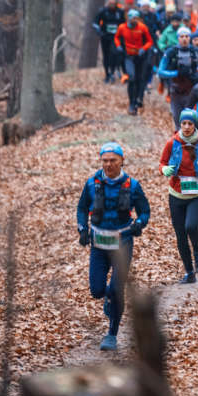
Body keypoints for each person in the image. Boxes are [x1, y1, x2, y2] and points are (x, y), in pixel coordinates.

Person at [76, 142, 150, 351]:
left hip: (122, 243)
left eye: (113, 160)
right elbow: (81, 208)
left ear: (121, 161)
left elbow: (145, 211)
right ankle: (109, 298)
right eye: (105, 161)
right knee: (97, 290)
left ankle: (111, 334)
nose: (108, 165)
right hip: (99, 244)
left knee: (117, 290)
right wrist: (82, 229)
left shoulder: (133, 186)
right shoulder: (91, 184)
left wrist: (139, 223)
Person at [159, 109, 198, 283]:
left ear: (195, 125)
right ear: (180, 124)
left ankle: (197, 253)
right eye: (183, 123)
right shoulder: (172, 142)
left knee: (191, 226)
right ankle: (189, 272)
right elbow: (162, 162)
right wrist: (164, 169)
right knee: (180, 235)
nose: (186, 127)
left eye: (190, 123)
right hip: (176, 193)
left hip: (197, 193)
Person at [157, 27, 198, 128]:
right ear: (178, 38)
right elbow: (160, 71)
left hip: (192, 91)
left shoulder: (197, 52)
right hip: (176, 90)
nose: (184, 39)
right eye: (182, 36)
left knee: (192, 119)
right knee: (178, 119)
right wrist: (176, 73)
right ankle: (179, 136)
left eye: (187, 36)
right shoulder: (171, 52)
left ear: (190, 38)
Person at [114, 9, 154, 115]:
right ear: (128, 18)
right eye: (133, 18)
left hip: (140, 57)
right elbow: (116, 38)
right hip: (129, 56)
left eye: (136, 18)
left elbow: (150, 41)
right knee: (131, 77)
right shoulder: (122, 27)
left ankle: (138, 100)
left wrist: (144, 49)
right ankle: (131, 103)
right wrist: (118, 46)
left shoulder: (142, 27)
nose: (135, 20)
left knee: (140, 79)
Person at [93, 0, 125, 83]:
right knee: (106, 55)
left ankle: (112, 72)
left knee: (114, 53)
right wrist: (99, 32)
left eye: (114, 2)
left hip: (116, 37)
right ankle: (107, 74)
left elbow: (124, 23)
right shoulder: (103, 11)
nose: (112, 4)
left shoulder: (120, 12)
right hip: (105, 37)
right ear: (108, 2)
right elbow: (95, 23)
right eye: (111, 2)